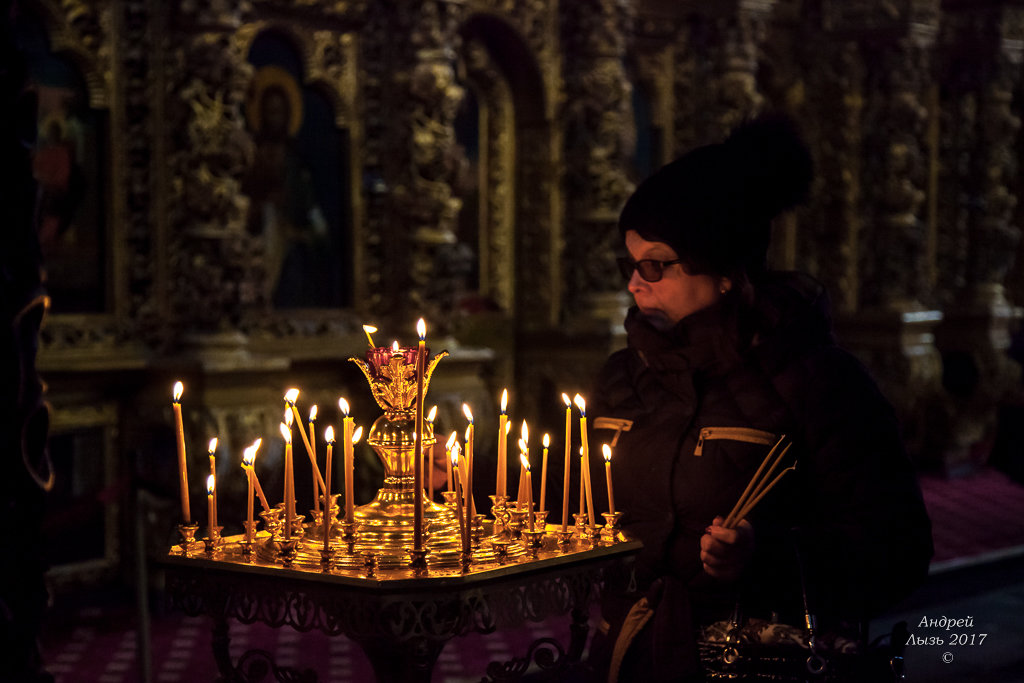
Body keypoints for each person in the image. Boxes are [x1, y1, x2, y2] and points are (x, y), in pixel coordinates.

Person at [585, 113, 933, 682]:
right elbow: (569, 495)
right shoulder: (627, 376)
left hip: (755, 663)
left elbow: (897, 550)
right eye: (629, 264)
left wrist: (764, 554)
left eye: (655, 265)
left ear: (724, 270)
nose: (633, 283)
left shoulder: (822, 381)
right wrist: (466, 478)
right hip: (631, 656)